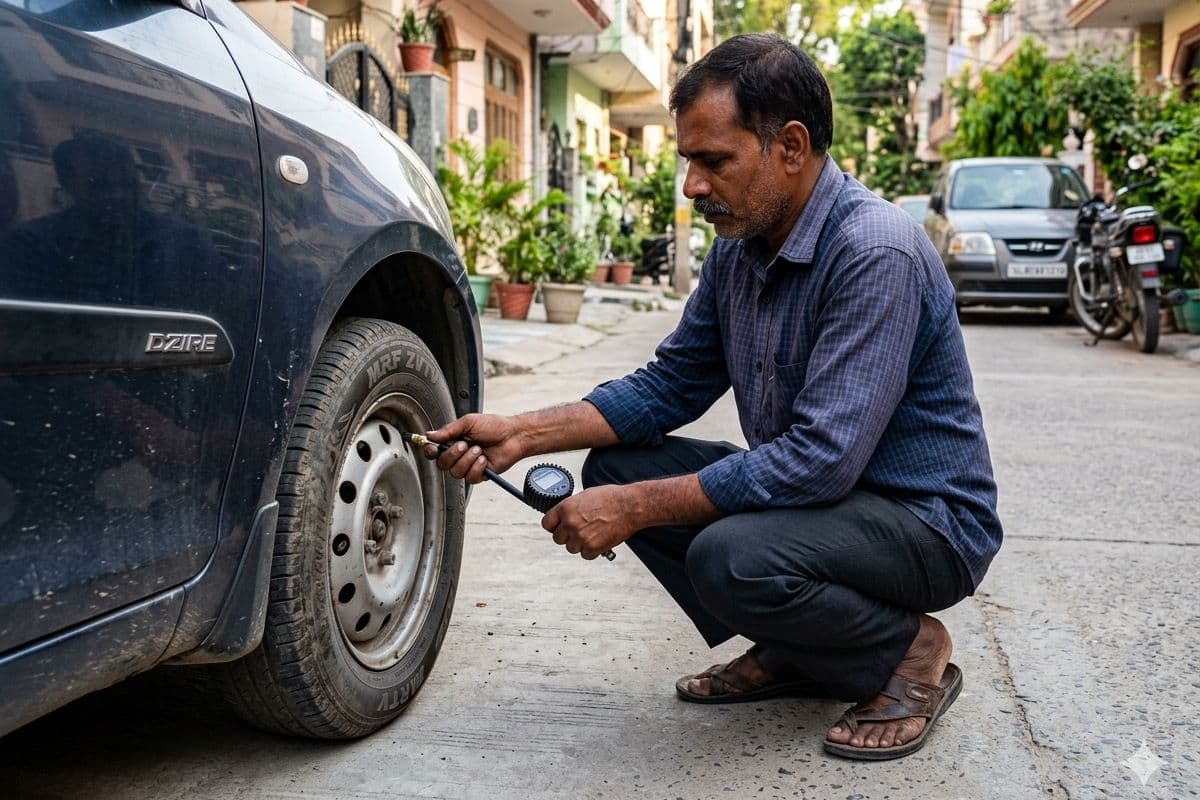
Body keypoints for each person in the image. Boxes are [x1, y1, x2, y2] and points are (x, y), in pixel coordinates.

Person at [420, 33, 1002, 761]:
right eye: (688, 162)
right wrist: (523, 433)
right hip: (830, 508)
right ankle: (799, 648)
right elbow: (672, 382)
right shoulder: (738, 248)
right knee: (616, 467)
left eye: (714, 161)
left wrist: (632, 512)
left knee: (730, 556)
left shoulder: (873, 251)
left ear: (790, 147)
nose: (692, 186)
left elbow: (820, 460)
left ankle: (913, 651)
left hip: (926, 521)